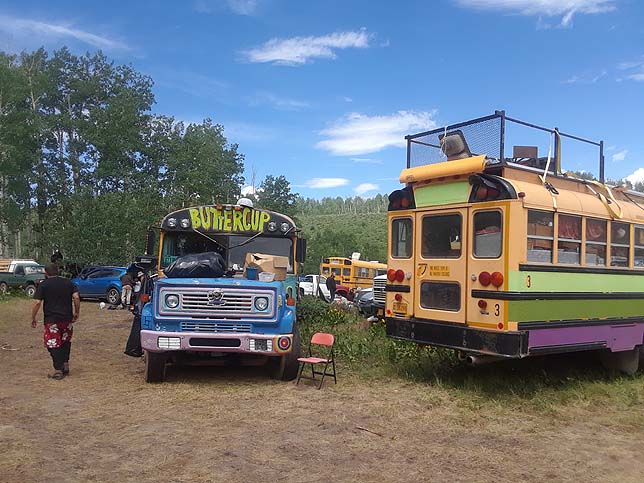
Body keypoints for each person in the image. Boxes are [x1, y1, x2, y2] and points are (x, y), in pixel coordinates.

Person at [31, 264, 80, 380]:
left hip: (51, 320)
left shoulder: (44, 285)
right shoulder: (68, 283)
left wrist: (33, 317)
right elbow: (76, 297)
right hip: (66, 318)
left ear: (46, 272)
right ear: (58, 271)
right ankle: (65, 363)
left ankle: (58, 370)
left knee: (53, 343)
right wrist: (76, 312)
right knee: (65, 341)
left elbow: (37, 302)